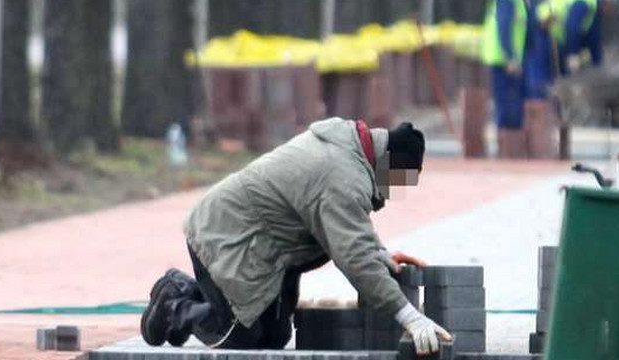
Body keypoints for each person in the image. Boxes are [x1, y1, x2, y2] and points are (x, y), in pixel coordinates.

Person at [139, 119, 452, 355]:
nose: (396, 189)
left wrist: (379, 252)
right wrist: (410, 316)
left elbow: (349, 228)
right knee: (236, 337)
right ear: (389, 164)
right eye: (400, 179)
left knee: (274, 339)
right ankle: (174, 303)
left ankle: (196, 296)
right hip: (225, 236)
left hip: (262, 248)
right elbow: (353, 255)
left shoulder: (349, 152)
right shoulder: (341, 176)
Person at [480, 0, 539, 157]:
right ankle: (504, 148)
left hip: (514, 59)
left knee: (516, 101)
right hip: (502, 59)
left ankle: (512, 148)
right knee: (505, 101)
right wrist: (510, 58)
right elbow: (503, 28)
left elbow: (526, 27)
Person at [535, 0, 603, 76]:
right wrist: (573, 54)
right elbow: (572, 27)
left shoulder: (592, 10)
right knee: (544, 67)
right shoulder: (585, 4)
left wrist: (598, 63)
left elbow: (594, 38)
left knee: (561, 68)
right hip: (543, 23)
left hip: (555, 32)